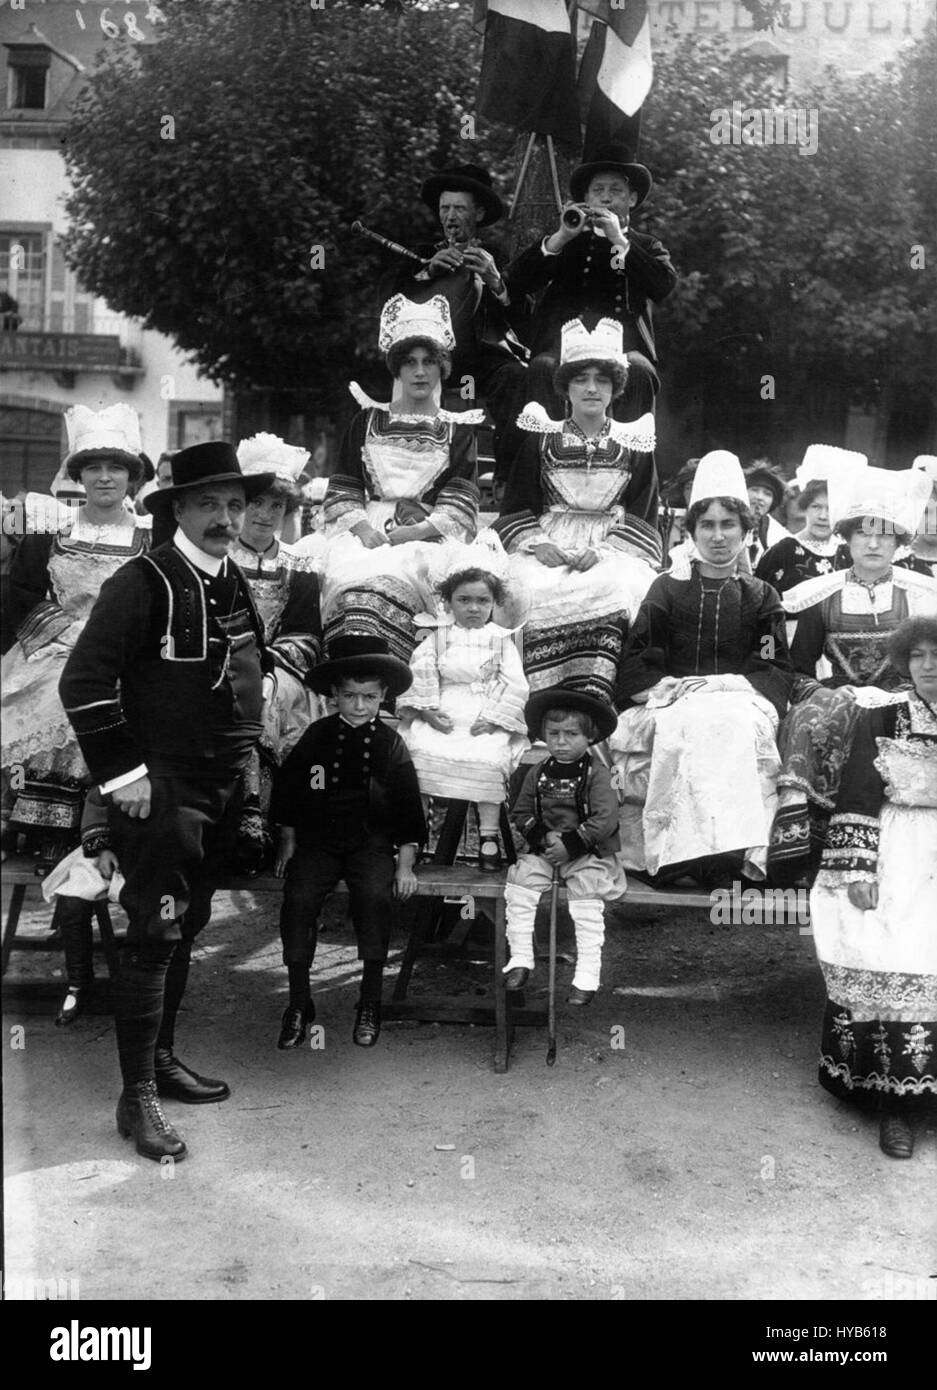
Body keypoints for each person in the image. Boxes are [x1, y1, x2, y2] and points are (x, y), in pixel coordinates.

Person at [59, 441, 275, 1164]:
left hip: (220, 783)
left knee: (189, 924)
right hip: (162, 789)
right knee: (153, 932)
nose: (225, 517)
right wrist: (125, 777)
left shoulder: (232, 578)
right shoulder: (142, 581)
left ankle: (162, 1058)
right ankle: (135, 1098)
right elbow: (84, 683)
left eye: (235, 505)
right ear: (176, 508)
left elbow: (246, 668)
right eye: (210, 504)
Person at [611, 451, 795, 883]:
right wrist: (666, 686)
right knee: (686, 724)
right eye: (707, 526)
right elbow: (638, 656)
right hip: (673, 700)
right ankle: (673, 855)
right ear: (691, 531)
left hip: (737, 698)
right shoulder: (667, 590)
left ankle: (726, 853)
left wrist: (725, 685)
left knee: (731, 724)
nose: (717, 536)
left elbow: (771, 664)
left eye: (728, 525)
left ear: (746, 531)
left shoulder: (760, 595)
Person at [808, 617, 937, 1159]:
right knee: (891, 951)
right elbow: (858, 793)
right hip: (896, 848)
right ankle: (896, 1104)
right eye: (919, 657)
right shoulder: (881, 716)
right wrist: (858, 870)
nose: (930, 667)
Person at [770, 466, 937, 879]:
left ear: (899, 542)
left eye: (885, 534)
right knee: (812, 717)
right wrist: (824, 694)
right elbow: (798, 667)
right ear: (847, 538)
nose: (874, 543)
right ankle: (805, 852)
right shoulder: (820, 594)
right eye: (864, 532)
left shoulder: (920, 594)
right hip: (839, 695)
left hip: (904, 699)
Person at [2, 405, 149, 864]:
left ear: (131, 477)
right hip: (56, 646)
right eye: (94, 469)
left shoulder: (150, 536)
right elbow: (20, 593)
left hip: (123, 654)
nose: (105, 478)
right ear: (79, 476)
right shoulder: (50, 528)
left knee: (119, 700)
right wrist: (64, 632)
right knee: (53, 694)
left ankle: (105, 824)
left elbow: (156, 602)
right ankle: (41, 822)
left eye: (116, 468)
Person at [306, 294, 485, 664]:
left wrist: (416, 532)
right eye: (410, 363)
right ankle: (350, 675)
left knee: (408, 577)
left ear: (441, 369)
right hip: (365, 531)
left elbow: (460, 502)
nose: (420, 372)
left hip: (427, 534)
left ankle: (400, 678)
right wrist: (360, 528)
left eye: (429, 362)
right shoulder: (366, 421)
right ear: (397, 370)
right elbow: (344, 487)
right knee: (345, 579)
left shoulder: (458, 430)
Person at [270, 635, 426, 1051]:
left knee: (375, 897)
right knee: (299, 899)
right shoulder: (318, 736)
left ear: (383, 697)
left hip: (370, 842)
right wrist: (287, 839)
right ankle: (300, 1002)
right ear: (334, 695)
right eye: (349, 696)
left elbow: (408, 806)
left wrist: (405, 861)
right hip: (319, 841)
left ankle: (369, 1001)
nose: (359, 707)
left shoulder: (391, 744)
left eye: (369, 697)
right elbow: (289, 790)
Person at [506, 143, 676, 517]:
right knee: (540, 369)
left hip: (622, 350)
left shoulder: (644, 245)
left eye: (616, 191)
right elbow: (514, 283)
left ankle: (634, 480)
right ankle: (529, 484)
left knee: (642, 372)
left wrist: (620, 241)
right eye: (598, 191)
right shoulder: (566, 240)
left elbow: (663, 286)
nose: (606, 199)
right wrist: (560, 238)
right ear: (585, 197)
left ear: (632, 198)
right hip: (564, 347)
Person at [496, 317, 658, 705]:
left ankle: (595, 697)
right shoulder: (541, 439)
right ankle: (537, 700)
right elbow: (516, 504)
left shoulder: (635, 442)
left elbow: (643, 511)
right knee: (526, 590)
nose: (590, 388)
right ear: (565, 387)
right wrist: (537, 544)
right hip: (549, 541)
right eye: (580, 379)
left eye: (601, 380)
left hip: (612, 547)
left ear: (615, 389)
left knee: (616, 591)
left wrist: (604, 551)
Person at [388, 162, 528, 485]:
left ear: (478, 214)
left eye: (459, 209)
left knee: (516, 377)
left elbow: (526, 316)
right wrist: (426, 273)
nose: (450, 217)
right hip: (433, 357)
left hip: (485, 360)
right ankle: (410, 478)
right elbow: (392, 304)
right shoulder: (422, 256)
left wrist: (496, 280)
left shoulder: (498, 255)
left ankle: (508, 482)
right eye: (445, 208)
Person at [398, 559, 529, 871]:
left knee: (488, 757)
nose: (473, 608)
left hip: (483, 715)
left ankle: (488, 836)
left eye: (482, 601)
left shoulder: (501, 641)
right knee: (421, 753)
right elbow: (421, 672)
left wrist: (495, 718)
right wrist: (428, 711)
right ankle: (415, 836)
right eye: (464, 600)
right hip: (444, 710)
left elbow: (514, 684)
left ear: (494, 604)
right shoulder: (439, 638)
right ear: (449, 603)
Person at [231, 433, 323, 871]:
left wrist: (270, 665)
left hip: (281, 670)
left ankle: (258, 822)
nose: (266, 515)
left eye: (277, 506)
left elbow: (308, 634)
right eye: (256, 503)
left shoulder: (299, 565)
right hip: (224, 662)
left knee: (265, 699)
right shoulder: (217, 558)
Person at [503, 687, 625, 1006]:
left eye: (571, 734)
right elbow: (521, 812)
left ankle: (586, 975)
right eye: (553, 733)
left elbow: (605, 819)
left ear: (590, 737)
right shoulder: (537, 773)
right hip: (546, 851)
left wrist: (570, 845)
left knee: (586, 898)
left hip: (587, 853)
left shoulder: (599, 775)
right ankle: (520, 959)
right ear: (543, 735)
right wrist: (544, 838)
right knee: (520, 882)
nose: (561, 741)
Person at [40, 787, 121, 1025]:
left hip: (156, 848)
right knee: (72, 902)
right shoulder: (121, 758)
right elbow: (97, 799)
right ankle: (78, 983)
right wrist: (103, 847)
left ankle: (143, 986)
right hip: (110, 844)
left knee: (153, 905)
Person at [744, 459, 790, 570]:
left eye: (767, 494)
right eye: (754, 490)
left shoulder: (778, 534)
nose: (760, 497)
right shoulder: (729, 521)